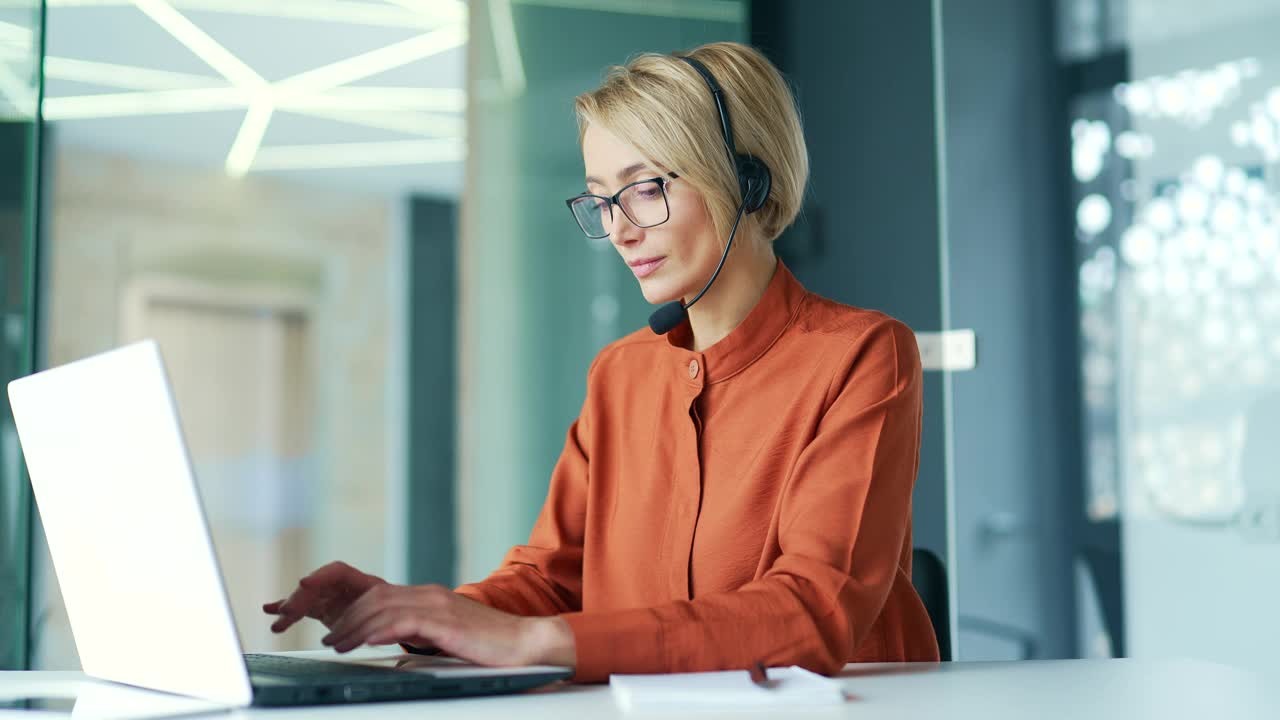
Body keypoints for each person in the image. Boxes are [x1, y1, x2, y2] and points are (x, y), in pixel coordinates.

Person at [264, 41, 940, 683]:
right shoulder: (621, 374)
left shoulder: (861, 354)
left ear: (747, 180)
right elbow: (552, 579)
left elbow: (814, 609)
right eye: (601, 199)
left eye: (645, 189)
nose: (618, 229)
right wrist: (421, 614)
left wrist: (543, 642)